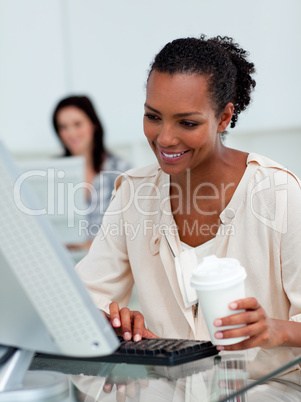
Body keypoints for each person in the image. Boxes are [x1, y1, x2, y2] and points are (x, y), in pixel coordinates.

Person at [75, 36, 301, 395]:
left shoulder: (277, 193)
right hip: (171, 388)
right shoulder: (134, 193)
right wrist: (110, 321)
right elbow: (80, 301)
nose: (164, 138)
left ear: (224, 116)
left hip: (266, 388)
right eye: (153, 117)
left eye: (187, 123)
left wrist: (276, 330)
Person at [52, 95, 131, 244]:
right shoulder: (53, 172)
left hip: (109, 262)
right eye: (63, 127)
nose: (71, 133)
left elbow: (130, 228)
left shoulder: (120, 169)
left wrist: (87, 246)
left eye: (77, 124)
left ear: (93, 124)